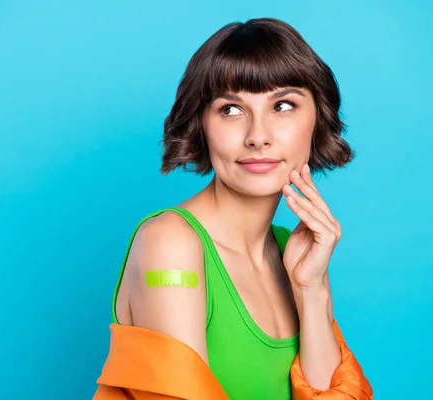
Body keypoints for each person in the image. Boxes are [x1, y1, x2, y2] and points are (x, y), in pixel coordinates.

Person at [94, 17, 373, 400]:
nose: (258, 136)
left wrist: (311, 290)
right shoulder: (171, 245)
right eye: (231, 110)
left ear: (317, 119)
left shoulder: (290, 250)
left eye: (283, 105)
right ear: (201, 124)